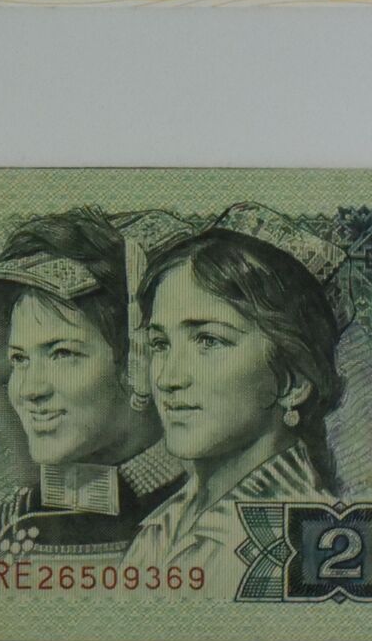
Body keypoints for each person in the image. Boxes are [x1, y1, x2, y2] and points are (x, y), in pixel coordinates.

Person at [120, 204, 345, 575]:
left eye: (208, 340)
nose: (167, 378)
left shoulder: (306, 544)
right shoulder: (163, 526)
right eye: (160, 344)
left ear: (292, 380)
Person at [0, 207, 181, 572]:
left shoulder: (209, 519)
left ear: (139, 359)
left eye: (62, 353)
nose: (30, 390)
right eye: (20, 359)